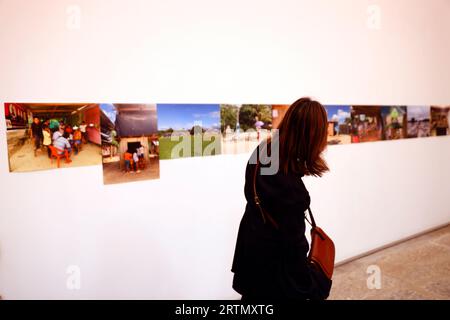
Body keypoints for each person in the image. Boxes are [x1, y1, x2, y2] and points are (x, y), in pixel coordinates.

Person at [231, 97, 332, 301]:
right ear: (312, 136)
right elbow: (293, 248)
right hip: (275, 275)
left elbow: (253, 198)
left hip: (252, 255)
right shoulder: (290, 191)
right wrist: (310, 286)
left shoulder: (262, 152)